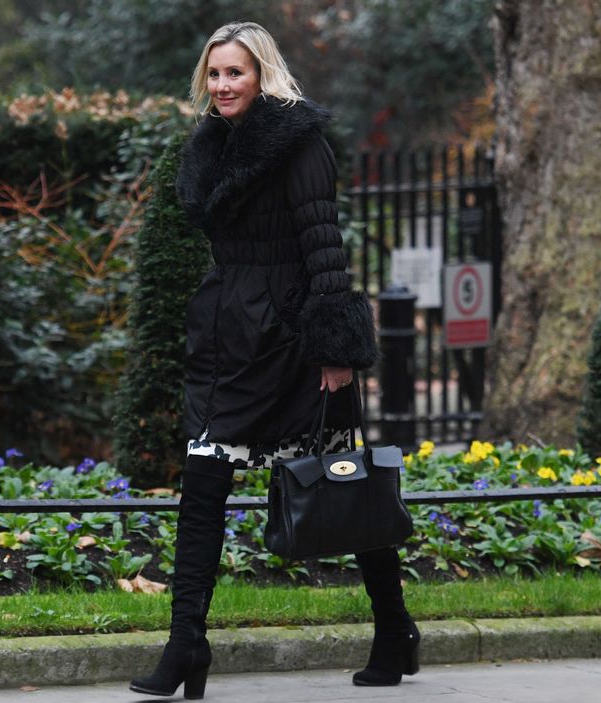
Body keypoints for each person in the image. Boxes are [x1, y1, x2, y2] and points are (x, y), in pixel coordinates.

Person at [129, 21, 419, 700]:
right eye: (215, 73)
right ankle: (186, 643)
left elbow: (326, 246)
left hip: (292, 340)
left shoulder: (299, 142)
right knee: (202, 485)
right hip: (227, 336)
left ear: (263, 75)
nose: (223, 85)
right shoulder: (210, 146)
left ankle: (395, 627)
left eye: (236, 72)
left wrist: (336, 350)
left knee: (348, 487)